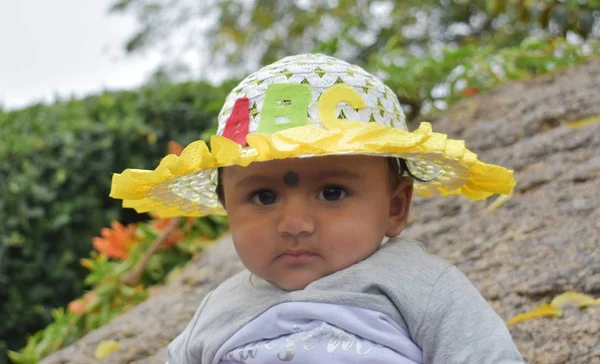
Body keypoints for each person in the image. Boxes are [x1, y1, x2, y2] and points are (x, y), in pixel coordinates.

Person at [111, 54, 523, 363]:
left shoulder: (419, 286)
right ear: (227, 208)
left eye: (331, 193)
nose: (294, 225)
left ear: (396, 206)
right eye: (264, 197)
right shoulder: (219, 308)